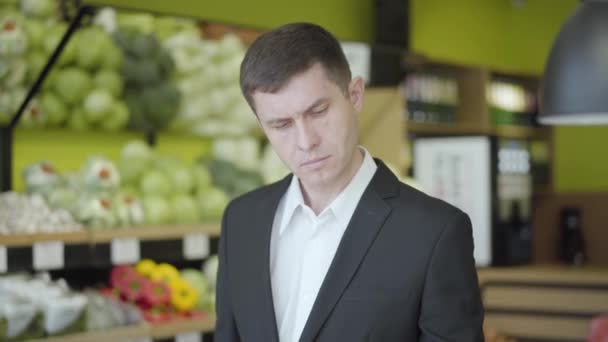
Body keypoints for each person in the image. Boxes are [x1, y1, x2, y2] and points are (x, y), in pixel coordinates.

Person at [215, 22, 484, 342]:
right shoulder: (241, 221)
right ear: (261, 125)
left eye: (318, 111)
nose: (306, 141)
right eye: (281, 124)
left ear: (355, 95)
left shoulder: (435, 232)